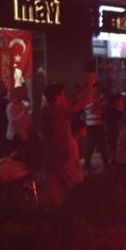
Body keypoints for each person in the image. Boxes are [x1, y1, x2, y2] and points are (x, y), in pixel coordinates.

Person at [42, 74, 96, 207]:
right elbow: (86, 101)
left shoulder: (46, 110)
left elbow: (69, 102)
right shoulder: (60, 112)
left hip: (50, 157)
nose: (65, 96)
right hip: (62, 157)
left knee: (58, 194)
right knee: (79, 186)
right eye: (63, 94)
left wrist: (82, 90)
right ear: (58, 96)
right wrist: (90, 83)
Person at [82, 85, 112, 169]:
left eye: (98, 89)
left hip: (98, 125)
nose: (97, 91)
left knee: (101, 144)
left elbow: (100, 109)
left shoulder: (96, 100)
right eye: (96, 89)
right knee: (91, 145)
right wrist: (103, 100)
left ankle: (105, 163)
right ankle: (87, 164)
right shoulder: (88, 100)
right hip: (92, 126)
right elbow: (93, 109)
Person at [5, 85, 32, 163]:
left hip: (25, 136)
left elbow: (28, 118)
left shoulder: (25, 104)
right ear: (18, 94)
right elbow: (14, 122)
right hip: (15, 138)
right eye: (24, 93)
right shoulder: (11, 107)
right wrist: (24, 112)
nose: (26, 95)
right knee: (16, 160)